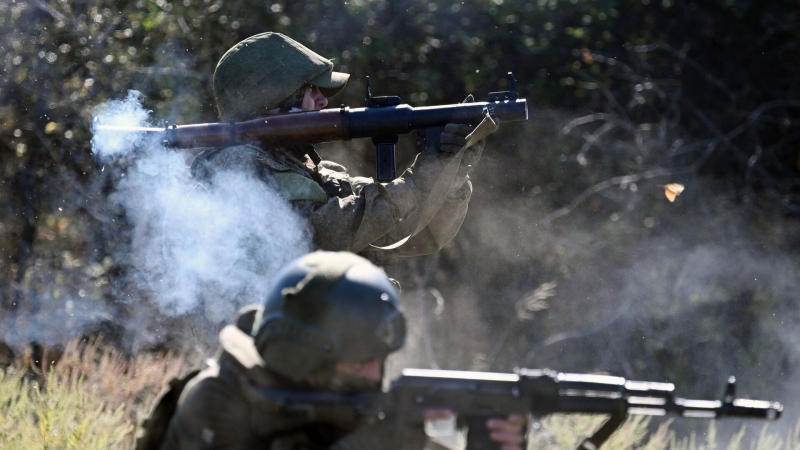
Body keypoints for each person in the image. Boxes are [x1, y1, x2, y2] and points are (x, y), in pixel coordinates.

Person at [136, 251, 525, 450]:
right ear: (302, 358)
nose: (376, 378)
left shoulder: (343, 406)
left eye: (380, 361)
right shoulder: (219, 399)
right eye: (360, 363)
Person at [191, 32, 495, 266]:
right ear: (273, 101)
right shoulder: (235, 165)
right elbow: (317, 235)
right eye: (309, 91)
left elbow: (413, 234)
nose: (323, 101)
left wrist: (450, 175)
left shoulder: (317, 172)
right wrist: (416, 183)